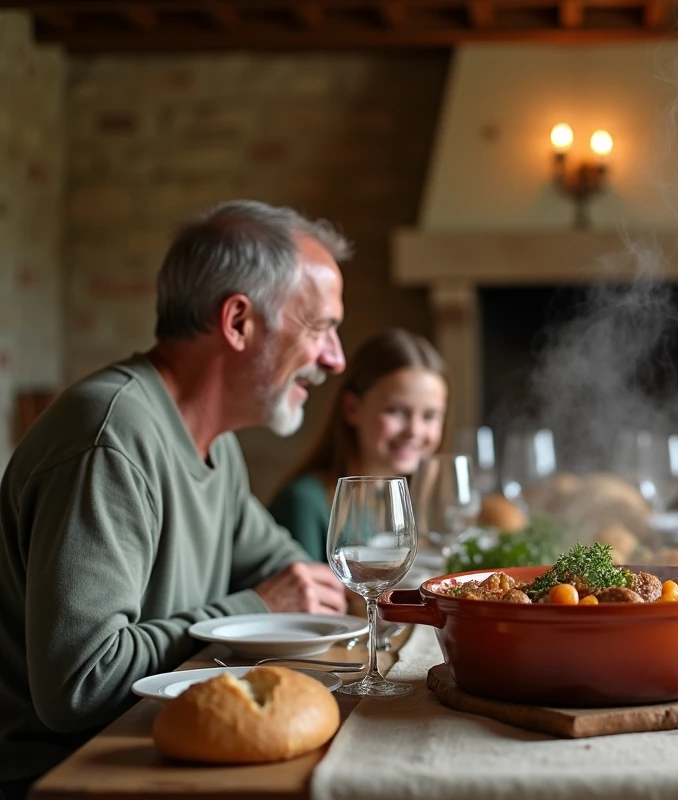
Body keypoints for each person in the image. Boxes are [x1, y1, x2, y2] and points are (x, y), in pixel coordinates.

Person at [0, 200, 351, 794]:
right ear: (237, 322)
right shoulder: (110, 439)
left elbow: (292, 575)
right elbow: (80, 684)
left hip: (154, 751)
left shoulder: (215, 442)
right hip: (67, 777)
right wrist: (254, 608)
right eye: (319, 328)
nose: (335, 359)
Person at [269, 329, 448, 560]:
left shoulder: (393, 502)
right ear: (352, 409)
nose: (414, 431)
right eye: (396, 411)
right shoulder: (304, 503)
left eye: (429, 416)